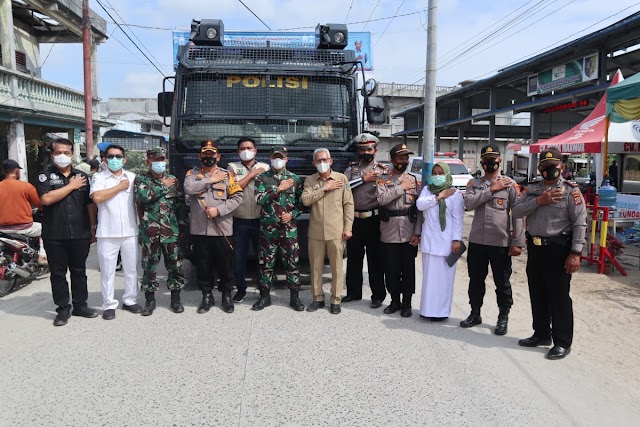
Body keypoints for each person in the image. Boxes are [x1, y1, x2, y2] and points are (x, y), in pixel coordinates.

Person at [513, 148, 587, 360]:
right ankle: (541, 334)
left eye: (553, 166)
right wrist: (539, 201)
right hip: (535, 248)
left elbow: (580, 223)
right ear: (539, 168)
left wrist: (575, 252)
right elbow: (516, 212)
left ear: (562, 167)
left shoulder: (571, 191)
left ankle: (562, 342)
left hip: (559, 249)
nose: (549, 170)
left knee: (559, 297)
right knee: (537, 293)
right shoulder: (532, 189)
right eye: (545, 166)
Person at [461, 144, 525, 335]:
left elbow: (519, 214)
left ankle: (503, 317)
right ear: (481, 163)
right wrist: (491, 190)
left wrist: (517, 241)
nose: (490, 163)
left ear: (499, 161)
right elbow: (468, 204)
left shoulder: (510, 184)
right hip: (478, 241)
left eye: (493, 160)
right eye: (487, 160)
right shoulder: (474, 184)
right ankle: (475, 313)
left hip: (500, 242)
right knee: (475, 280)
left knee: (502, 282)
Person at [35, 138, 98, 326]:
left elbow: (89, 205)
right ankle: (63, 309)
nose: (63, 156)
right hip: (55, 234)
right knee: (58, 273)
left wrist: (93, 227)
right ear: (52, 154)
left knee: (79, 271)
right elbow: (46, 199)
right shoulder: (44, 176)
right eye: (58, 152)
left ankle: (80, 305)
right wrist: (70, 186)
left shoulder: (82, 176)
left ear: (72, 155)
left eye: (67, 153)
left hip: (80, 232)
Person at [184, 140, 243, 314]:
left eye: (212, 154)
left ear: (218, 156)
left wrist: (219, 210)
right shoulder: (192, 174)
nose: (209, 157)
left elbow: (238, 197)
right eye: (205, 154)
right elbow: (189, 189)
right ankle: (206, 296)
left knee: (225, 265)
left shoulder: (228, 175)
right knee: (203, 265)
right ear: (200, 156)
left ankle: (226, 296)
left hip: (222, 229)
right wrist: (211, 180)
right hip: (199, 229)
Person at [134, 147, 186, 316]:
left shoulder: (173, 179)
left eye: (162, 159)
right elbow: (144, 198)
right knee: (149, 268)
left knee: (175, 266)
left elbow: (179, 204)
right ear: (148, 161)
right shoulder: (141, 180)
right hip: (150, 232)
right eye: (155, 160)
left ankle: (176, 299)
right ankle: (150, 301)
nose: (159, 163)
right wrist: (163, 186)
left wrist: (182, 226)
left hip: (171, 231)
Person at [90, 144, 140, 320]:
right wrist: (119, 187)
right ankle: (109, 304)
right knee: (107, 270)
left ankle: (130, 300)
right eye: (110, 156)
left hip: (129, 230)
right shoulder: (99, 178)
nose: (115, 160)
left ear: (124, 159)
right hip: (107, 232)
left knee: (131, 269)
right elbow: (97, 197)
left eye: (118, 156)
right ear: (104, 159)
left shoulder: (133, 178)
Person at [302, 148, 354, 314]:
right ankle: (317, 298)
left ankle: (335, 299)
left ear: (331, 161)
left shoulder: (341, 178)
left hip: (336, 231)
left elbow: (348, 204)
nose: (322, 163)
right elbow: (305, 200)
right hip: (316, 231)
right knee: (316, 267)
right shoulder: (310, 180)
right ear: (314, 163)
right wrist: (325, 188)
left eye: (325, 160)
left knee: (336, 267)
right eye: (319, 160)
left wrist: (348, 227)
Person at [252, 146, 305, 311]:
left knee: (293, 263)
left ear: (286, 159)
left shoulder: (295, 178)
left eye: (281, 157)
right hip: (268, 229)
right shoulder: (261, 178)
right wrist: (278, 188)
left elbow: (302, 203)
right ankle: (264, 297)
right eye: (275, 157)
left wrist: (293, 214)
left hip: (289, 229)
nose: (278, 160)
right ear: (270, 158)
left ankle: (295, 298)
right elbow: (259, 199)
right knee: (266, 263)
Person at [376, 143, 422, 317]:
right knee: (391, 269)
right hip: (389, 231)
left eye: (406, 158)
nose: (404, 161)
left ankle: (407, 303)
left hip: (409, 230)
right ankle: (395, 301)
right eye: (400, 158)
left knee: (408, 269)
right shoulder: (382, 179)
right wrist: (401, 187)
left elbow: (419, 209)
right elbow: (381, 199)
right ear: (392, 160)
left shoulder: (415, 179)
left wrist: (417, 232)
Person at [343, 133, 388, 308]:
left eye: (369, 149)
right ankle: (353, 292)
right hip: (354, 219)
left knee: (375, 259)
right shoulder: (351, 170)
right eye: (362, 150)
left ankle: (378, 295)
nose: (365, 152)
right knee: (354, 258)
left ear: (375, 151)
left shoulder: (383, 170)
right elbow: (343, 188)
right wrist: (363, 179)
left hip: (375, 219)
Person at [416, 162, 465, 321]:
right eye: (435, 173)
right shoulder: (427, 190)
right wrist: (439, 197)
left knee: (444, 280)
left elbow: (458, 218)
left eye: (440, 173)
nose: (437, 176)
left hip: (447, 243)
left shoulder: (455, 193)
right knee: (429, 279)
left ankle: (441, 312)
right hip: (430, 242)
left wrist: (456, 239)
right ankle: (427, 310)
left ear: (447, 174)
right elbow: (420, 205)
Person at [227, 137, 269, 303]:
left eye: (249, 148)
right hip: (240, 220)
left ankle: (263, 290)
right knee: (239, 258)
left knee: (263, 257)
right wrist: (251, 175)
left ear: (255, 150)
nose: (246, 150)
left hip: (261, 219)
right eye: (243, 148)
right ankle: (241, 289)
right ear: (238, 152)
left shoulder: (265, 168)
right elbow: (233, 189)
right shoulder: (232, 167)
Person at [0, 159, 47, 262]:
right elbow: (40, 204)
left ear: (3, 172)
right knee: (47, 228)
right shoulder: (26, 186)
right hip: (24, 227)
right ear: (17, 171)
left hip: (2, 229)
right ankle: (42, 256)